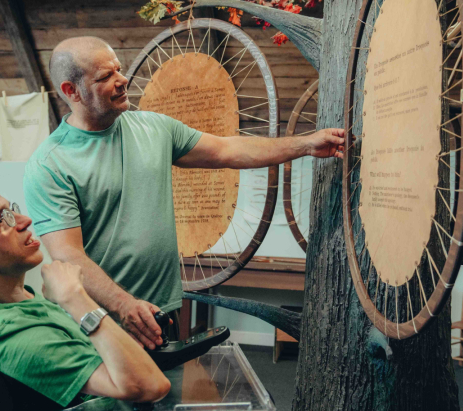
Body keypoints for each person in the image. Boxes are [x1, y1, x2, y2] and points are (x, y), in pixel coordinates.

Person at [0, 170, 287, 411]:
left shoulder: (22, 299)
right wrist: (74, 297)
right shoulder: (12, 335)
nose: (24, 221)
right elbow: (149, 386)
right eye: (2, 221)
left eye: (12, 209)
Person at [24, 36, 345, 349]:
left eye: (118, 69)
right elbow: (68, 255)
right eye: (106, 76)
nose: (122, 80)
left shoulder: (154, 128)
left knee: (168, 385)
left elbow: (227, 150)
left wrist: (306, 144)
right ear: (71, 91)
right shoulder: (51, 163)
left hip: (161, 309)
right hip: (98, 320)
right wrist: (124, 305)